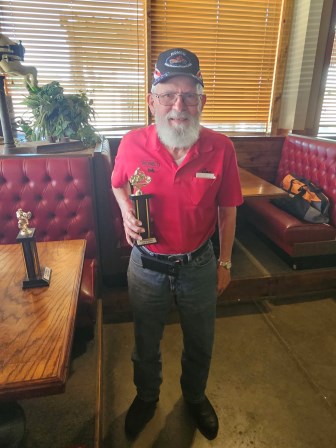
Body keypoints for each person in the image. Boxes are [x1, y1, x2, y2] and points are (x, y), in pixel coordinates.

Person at [111, 48, 243, 440]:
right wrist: (123, 212)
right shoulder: (132, 143)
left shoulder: (221, 148)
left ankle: (195, 397)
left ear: (202, 101)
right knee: (144, 343)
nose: (178, 105)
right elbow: (117, 182)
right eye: (168, 93)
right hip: (146, 265)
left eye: (189, 94)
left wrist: (226, 263)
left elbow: (229, 212)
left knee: (201, 342)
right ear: (152, 101)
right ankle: (147, 397)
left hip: (199, 266)